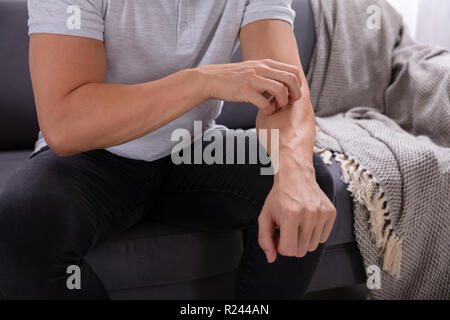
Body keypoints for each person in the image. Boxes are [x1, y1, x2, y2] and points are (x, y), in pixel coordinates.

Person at [0, 0, 336, 299]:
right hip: (93, 156)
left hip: (193, 148)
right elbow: (66, 123)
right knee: (20, 220)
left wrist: (295, 173)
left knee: (306, 185)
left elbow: (285, 92)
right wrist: (202, 82)